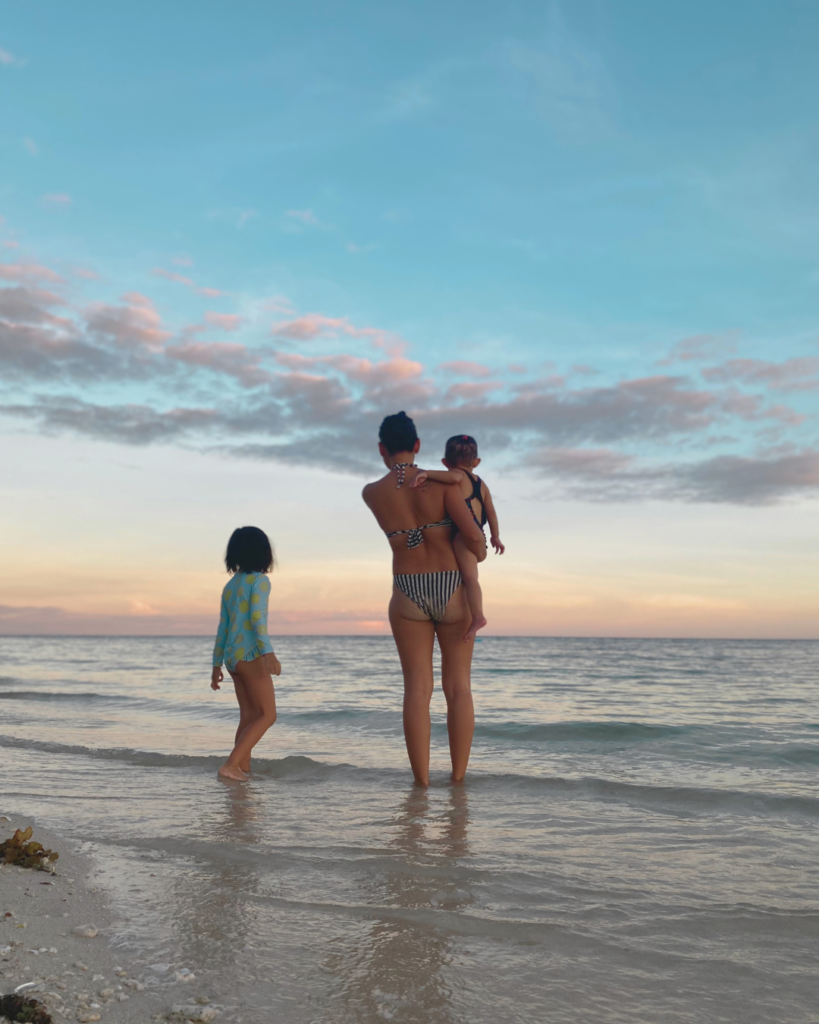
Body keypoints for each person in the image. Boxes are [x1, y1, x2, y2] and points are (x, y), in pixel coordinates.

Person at [362, 411, 487, 786]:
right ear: (417, 445)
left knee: (417, 689)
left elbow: (397, 497)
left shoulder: (372, 493)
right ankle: (458, 781)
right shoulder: (443, 484)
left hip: (407, 589)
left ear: (382, 448)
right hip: (453, 587)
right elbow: (477, 545)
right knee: (458, 687)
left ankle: (421, 784)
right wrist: (476, 550)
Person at [409, 434, 504, 642]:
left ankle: (478, 616)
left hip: (463, 536)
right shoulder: (482, 484)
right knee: (471, 576)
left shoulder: (456, 476)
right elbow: (492, 512)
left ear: (445, 463)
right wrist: (495, 536)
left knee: (470, 578)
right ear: (476, 462)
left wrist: (426, 473)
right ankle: (477, 616)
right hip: (479, 534)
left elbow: (452, 478)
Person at [211, 526, 282, 781]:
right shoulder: (260, 581)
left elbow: (223, 626)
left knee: (249, 716)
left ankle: (242, 769)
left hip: (232, 657)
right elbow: (256, 618)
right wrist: (268, 653)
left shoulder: (231, 585)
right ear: (264, 552)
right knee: (268, 715)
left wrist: (216, 665)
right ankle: (231, 765)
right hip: (250, 653)